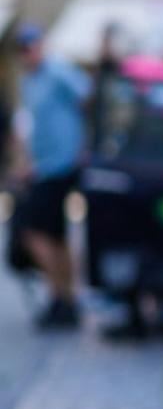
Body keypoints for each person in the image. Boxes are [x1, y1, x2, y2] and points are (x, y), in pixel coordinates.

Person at [8, 21, 91, 329]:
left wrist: (83, 142)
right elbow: (30, 126)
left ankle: (62, 294)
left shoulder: (57, 72)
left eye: (32, 45)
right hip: (43, 166)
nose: (28, 53)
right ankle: (64, 299)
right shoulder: (29, 82)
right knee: (54, 236)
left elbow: (87, 97)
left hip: (61, 165)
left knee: (34, 232)